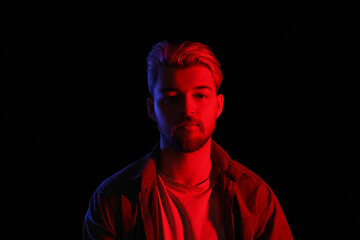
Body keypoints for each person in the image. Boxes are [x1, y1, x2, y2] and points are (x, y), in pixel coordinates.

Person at [83, 41, 293, 240]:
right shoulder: (112, 200)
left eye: (200, 95)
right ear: (151, 108)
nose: (187, 109)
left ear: (218, 106)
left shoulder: (255, 198)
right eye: (172, 97)